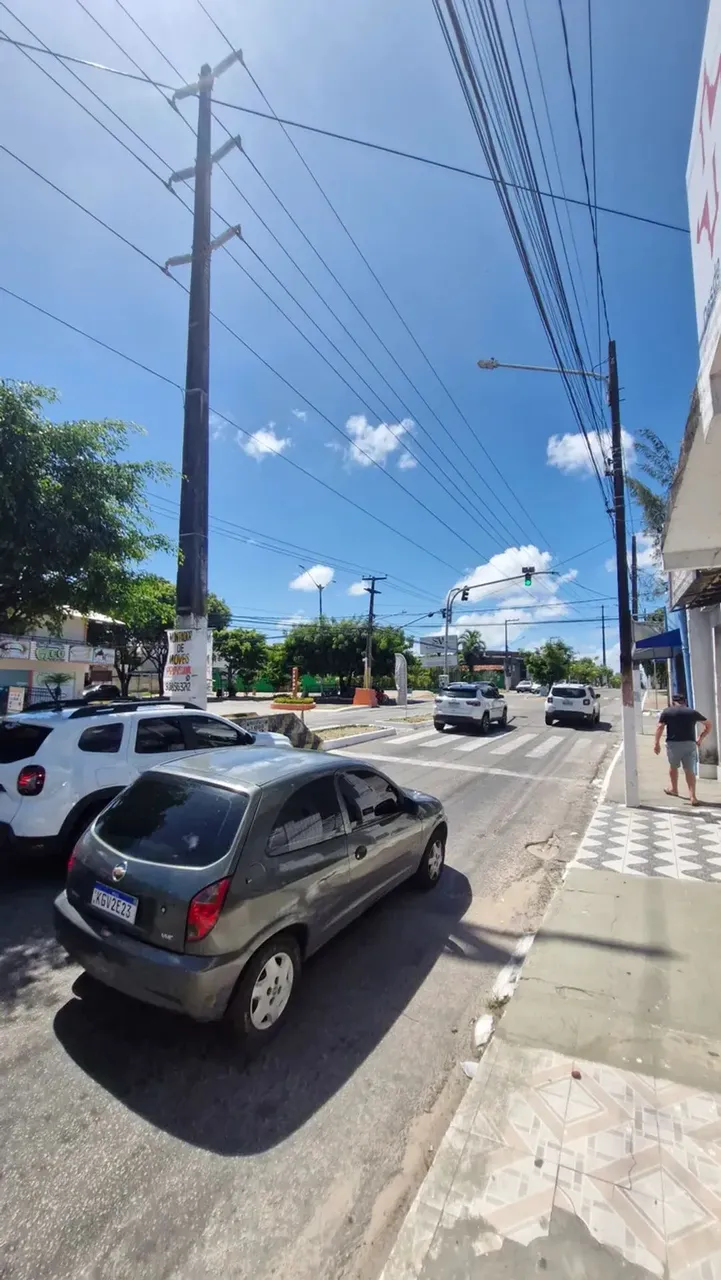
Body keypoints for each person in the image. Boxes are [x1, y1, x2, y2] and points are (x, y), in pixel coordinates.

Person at [653, 693, 712, 806]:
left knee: (673, 767)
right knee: (689, 770)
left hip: (673, 744)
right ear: (684, 701)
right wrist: (700, 737)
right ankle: (693, 796)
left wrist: (656, 743)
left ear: (673, 702)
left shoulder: (667, 712)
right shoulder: (692, 712)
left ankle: (674, 789)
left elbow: (660, 727)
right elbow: (708, 724)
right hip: (689, 744)